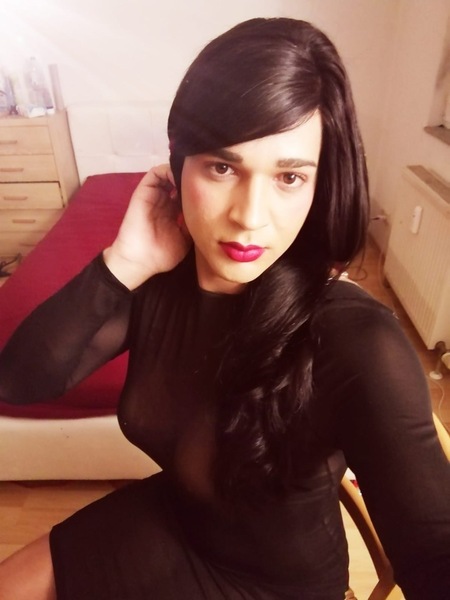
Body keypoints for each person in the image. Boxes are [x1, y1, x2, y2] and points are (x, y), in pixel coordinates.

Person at [0, 17, 449, 600]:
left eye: (289, 177)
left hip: (277, 585)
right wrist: (124, 262)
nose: (249, 217)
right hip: (175, 518)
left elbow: (433, 548)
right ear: (177, 163)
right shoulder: (159, 284)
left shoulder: (354, 338)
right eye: (222, 167)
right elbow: (20, 380)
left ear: (319, 185)